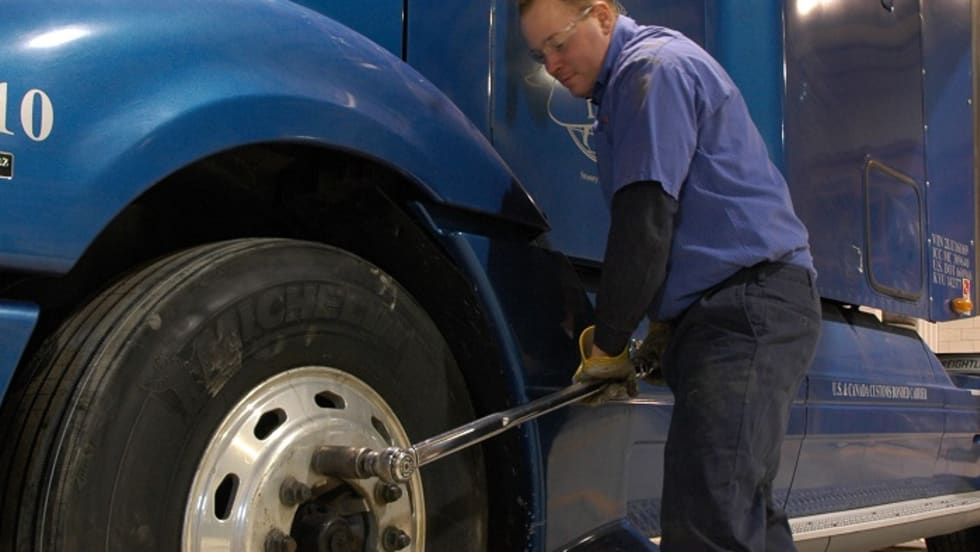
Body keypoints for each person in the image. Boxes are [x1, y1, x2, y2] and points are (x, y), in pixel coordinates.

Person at [518, 1, 822, 550]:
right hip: (747, 302)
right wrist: (666, 324)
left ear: (602, 15)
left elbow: (645, 223)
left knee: (709, 518)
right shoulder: (629, 84)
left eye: (559, 44)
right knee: (740, 509)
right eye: (541, 54)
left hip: (747, 304)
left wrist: (608, 346)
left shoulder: (651, 70)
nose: (553, 64)